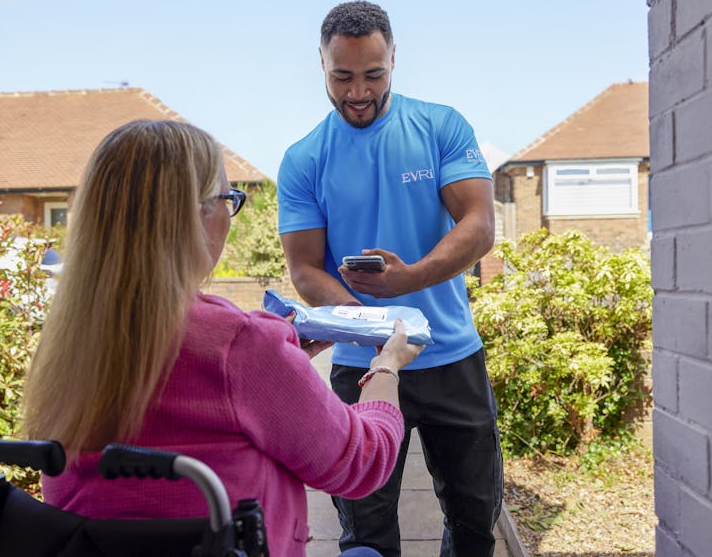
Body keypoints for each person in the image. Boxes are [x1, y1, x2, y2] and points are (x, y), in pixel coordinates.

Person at [21, 119, 423, 557]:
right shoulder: (239, 344)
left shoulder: (67, 340)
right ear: (197, 215)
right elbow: (361, 463)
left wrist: (282, 370)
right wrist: (386, 366)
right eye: (228, 200)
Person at [277, 1, 503, 557]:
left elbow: (479, 224)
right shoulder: (304, 158)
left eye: (373, 75)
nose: (358, 92)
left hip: (452, 357)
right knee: (366, 534)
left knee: (475, 521)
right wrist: (375, 324)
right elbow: (304, 266)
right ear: (322, 66)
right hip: (361, 368)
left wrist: (412, 280)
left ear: (394, 59)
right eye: (342, 76)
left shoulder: (440, 126)